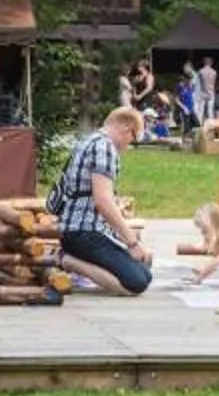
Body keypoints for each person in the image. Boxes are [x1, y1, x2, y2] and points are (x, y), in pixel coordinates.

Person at [51, 105, 153, 295]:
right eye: (134, 137)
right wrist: (132, 243)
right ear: (126, 127)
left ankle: (72, 259)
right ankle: (66, 260)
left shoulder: (89, 141)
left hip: (74, 229)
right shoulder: (104, 147)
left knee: (145, 272)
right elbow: (103, 201)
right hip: (86, 232)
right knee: (137, 283)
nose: (130, 145)